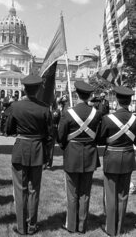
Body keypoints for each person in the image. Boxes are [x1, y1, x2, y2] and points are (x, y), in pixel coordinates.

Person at [5, 74, 52, 235]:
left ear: (24, 88)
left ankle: (21, 226)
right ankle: (32, 226)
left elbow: (8, 130)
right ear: (38, 89)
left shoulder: (14, 106)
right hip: (38, 148)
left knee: (20, 189)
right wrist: (47, 156)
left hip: (21, 148)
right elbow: (49, 135)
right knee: (34, 190)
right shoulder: (45, 108)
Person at [58, 80, 102, 234]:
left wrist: (66, 147)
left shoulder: (68, 113)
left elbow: (61, 136)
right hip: (89, 154)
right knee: (85, 193)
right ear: (90, 95)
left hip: (72, 153)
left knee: (72, 193)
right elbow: (98, 136)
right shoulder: (97, 113)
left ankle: (71, 225)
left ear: (77, 94)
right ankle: (82, 226)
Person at [99, 86, 136, 236]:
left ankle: (111, 228)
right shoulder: (135, 120)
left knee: (110, 194)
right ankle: (119, 228)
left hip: (112, 157)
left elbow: (101, 140)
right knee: (123, 195)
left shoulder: (108, 119)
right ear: (129, 101)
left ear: (116, 100)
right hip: (127, 158)